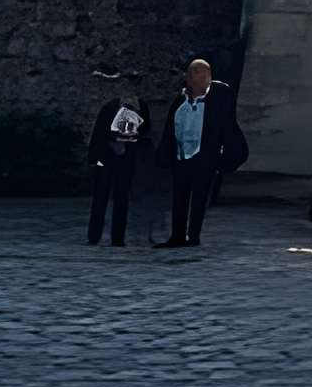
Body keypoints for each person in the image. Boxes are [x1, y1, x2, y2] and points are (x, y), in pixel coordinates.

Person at [154, 58, 246, 248]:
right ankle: (177, 236)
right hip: (182, 157)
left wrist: (225, 157)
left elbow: (228, 128)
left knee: (199, 199)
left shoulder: (217, 102)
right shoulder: (180, 102)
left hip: (204, 158)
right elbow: (171, 129)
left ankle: (193, 236)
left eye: (204, 76)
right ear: (188, 79)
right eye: (195, 76)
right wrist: (167, 153)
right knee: (179, 198)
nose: (200, 81)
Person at [85, 76, 148, 247]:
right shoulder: (111, 108)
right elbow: (99, 134)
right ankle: (99, 236)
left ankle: (114, 238)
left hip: (124, 159)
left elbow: (143, 132)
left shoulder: (138, 108)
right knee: (103, 198)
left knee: (119, 199)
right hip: (108, 158)